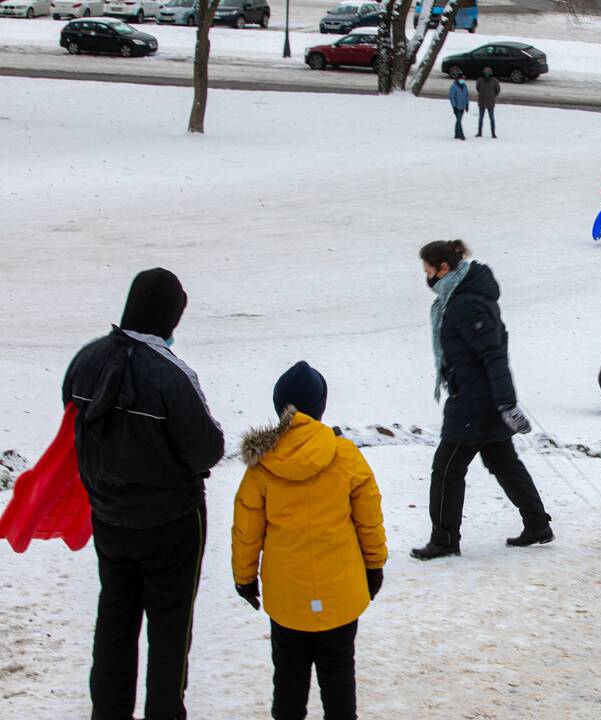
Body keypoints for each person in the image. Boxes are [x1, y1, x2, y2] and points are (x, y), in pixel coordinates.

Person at [62, 268, 224, 720]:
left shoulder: (86, 360)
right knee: (170, 628)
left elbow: (72, 421)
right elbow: (205, 451)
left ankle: (108, 712)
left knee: (114, 618)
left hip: (109, 517)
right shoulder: (172, 374)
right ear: (170, 316)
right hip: (172, 522)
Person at [232, 361, 387, 720]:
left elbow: (246, 529)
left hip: (288, 600)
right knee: (338, 673)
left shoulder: (262, 466)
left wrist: (244, 578)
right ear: (320, 407)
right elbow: (369, 519)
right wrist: (374, 565)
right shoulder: (345, 455)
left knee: (288, 677)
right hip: (340, 595)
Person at [412, 240, 553, 561]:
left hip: (474, 403)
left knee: (447, 470)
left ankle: (444, 539)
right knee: (503, 462)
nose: (427, 277)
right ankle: (537, 526)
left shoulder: (465, 303)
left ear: (443, 268)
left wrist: (506, 403)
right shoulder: (461, 296)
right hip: (478, 397)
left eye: (428, 271)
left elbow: (494, 354)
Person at [476, 66, 500, 138]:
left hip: (490, 102)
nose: (487, 75)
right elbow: (478, 88)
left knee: (491, 118)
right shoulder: (480, 80)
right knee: (481, 118)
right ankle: (479, 132)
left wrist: (492, 96)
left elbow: (497, 90)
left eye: (488, 73)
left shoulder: (494, 81)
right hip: (482, 102)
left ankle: (493, 133)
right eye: (485, 73)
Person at [449, 76, 469, 141]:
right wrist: (454, 106)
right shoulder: (453, 86)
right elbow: (451, 97)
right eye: (461, 79)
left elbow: (466, 96)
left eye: (463, 79)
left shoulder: (465, 86)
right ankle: (461, 134)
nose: (462, 80)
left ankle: (456, 134)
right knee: (459, 120)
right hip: (457, 107)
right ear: (457, 79)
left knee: (459, 120)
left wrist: (467, 105)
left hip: (462, 106)